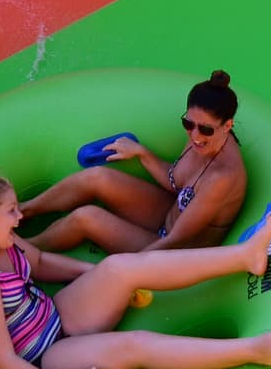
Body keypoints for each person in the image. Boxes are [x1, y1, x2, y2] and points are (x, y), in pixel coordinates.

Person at [0, 173, 271, 369]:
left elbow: (41, 262)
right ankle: (253, 350)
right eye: (12, 212)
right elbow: (5, 361)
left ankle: (245, 256)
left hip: (51, 316)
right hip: (37, 360)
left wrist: (97, 276)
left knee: (120, 267)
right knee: (132, 345)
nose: (20, 218)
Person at [20, 70, 247, 253]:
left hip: (178, 251)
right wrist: (142, 153)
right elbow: (176, 182)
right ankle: (23, 211)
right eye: (188, 124)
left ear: (228, 125)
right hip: (168, 214)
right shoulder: (203, 139)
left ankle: (24, 251)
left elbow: (176, 239)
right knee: (97, 177)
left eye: (205, 129)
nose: (195, 135)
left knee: (86, 217)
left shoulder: (222, 177)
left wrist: (130, 269)